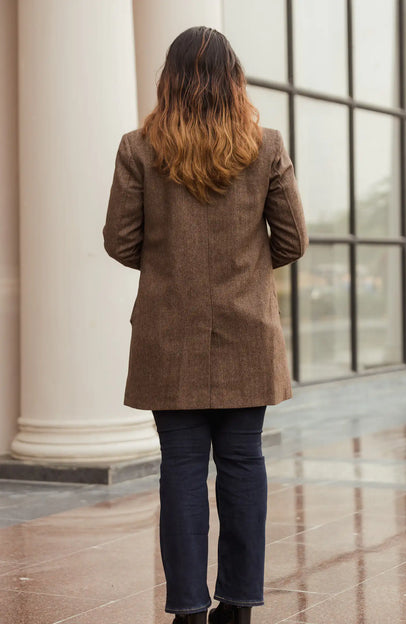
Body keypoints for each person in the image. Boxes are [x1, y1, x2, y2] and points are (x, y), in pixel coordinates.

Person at [103, 25, 309, 624]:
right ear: (234, 80)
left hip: (169, 335)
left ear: (169, 81)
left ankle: (189, 609)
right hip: (249, 331)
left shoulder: (137, 147)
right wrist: (241, 271)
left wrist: (173, 269)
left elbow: (120, 241)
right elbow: (293, 240)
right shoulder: (265, 145)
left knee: (181, 469)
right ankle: (239, 606)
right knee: (244, 463)